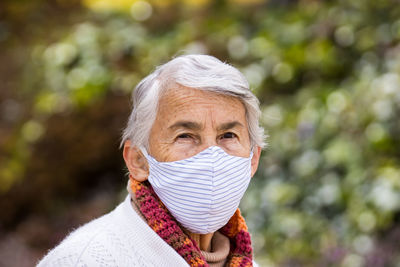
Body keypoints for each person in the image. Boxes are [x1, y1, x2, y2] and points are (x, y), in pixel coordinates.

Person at [37, 54, 266, 267]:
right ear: (138, 161)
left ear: (253, 159)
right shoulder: (84, 260)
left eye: (228, 136)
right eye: (184, 136)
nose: (211, 156)